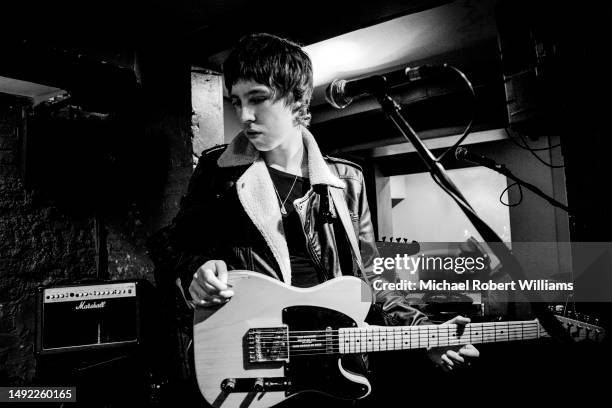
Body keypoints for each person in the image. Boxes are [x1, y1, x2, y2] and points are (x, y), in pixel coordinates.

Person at [164, 32, 478, 405]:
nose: (244, 116)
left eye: (258, 99)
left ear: (297, 98)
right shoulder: (217, 173)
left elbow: (371, 278)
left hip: (334, 367)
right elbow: (176, 247)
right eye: (236, 102)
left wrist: (424, 332)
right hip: (250, 361)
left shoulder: (346, 181)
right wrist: (196, 270)